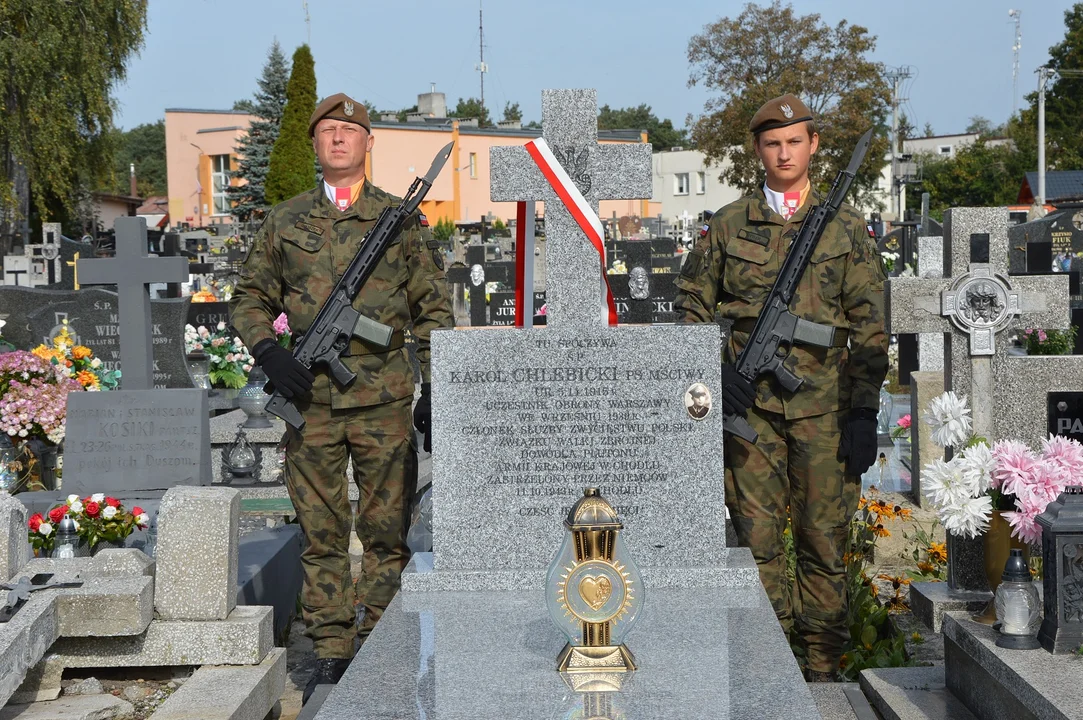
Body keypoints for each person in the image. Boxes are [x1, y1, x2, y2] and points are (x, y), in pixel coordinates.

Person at [230, 93, 452, 703]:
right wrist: (269, 352)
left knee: (387, 533)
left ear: (367, 143)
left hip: (383, 402)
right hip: (313, 404)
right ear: (315, 144)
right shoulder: (285, 220)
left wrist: (438, 382)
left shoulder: (400, 222)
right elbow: (248, 298)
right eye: (327, 130)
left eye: (348, 131)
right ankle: (330, 649)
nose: (338, 140)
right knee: (321, 532)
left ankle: (381, 638)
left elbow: (433, 309)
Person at [674, 94, 887, 681]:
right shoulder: (728, 224)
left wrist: (864, 412)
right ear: (757, 151)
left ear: (813, 145)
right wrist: (714, 368)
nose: (784, 153)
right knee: (756, 547)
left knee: (824, 546)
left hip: (825, 413)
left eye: (794, 141)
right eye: (772, 143)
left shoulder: (845, 227)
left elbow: (870, 323)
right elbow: (692, 304)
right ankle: (769, 673)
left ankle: (823, 676)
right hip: (753, 416)